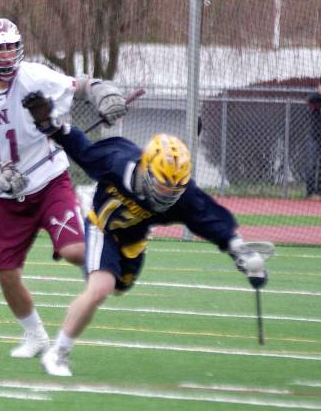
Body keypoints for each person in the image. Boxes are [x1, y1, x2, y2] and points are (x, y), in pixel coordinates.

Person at [22, 90, 271, 376]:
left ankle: (86, 257)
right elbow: (84, 150)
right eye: (163, 184)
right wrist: (53, 126)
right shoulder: (118, 162)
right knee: (100, 288)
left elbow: (211, 220)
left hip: (134, 238)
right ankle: (58, 353)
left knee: (118, 287)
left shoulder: (182, 196)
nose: (168, 193)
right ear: (146, 168)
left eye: (174, 187)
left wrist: (240, 251)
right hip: (104, 226)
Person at [0, 18, 127, 359]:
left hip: (48, 181)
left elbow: (78, 84)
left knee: (75, 251)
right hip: (6, 195)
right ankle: (36, 336)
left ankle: (111, 250)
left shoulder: (35, 75)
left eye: (10, 46)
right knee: (5, 272)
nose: (5, 53)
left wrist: (100, 89)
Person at [306, 78, 321, 200]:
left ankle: (319, 192)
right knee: (311, 165)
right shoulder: (315, 98)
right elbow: (310, 99)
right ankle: (310, 193)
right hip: (314, 138)